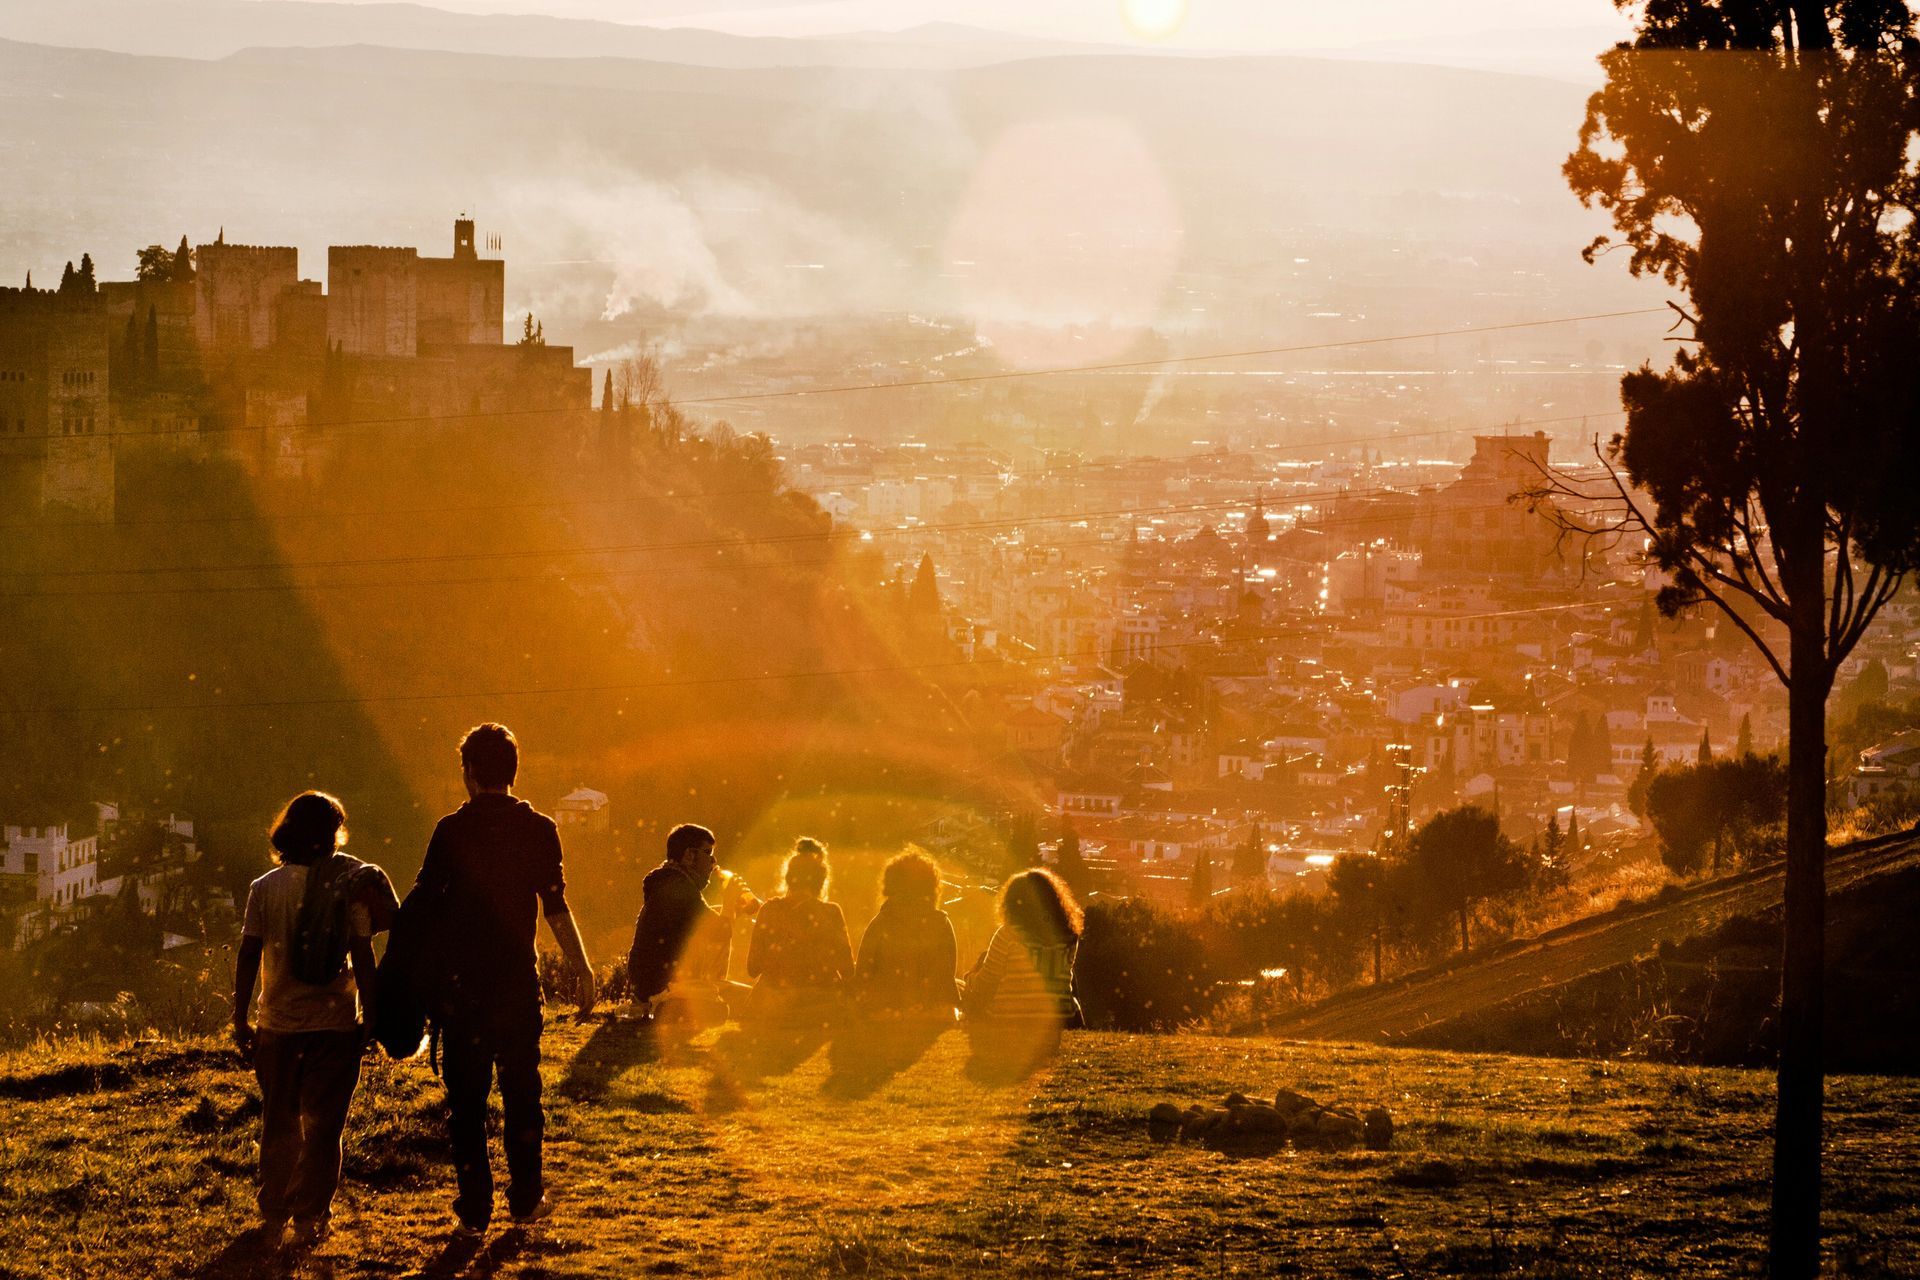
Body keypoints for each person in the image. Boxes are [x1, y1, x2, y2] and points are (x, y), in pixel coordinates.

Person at [412, 723, 595, 1236]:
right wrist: (582, 969)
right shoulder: (538, 828)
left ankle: (473, 1210)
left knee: (466, 1101)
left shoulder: (451, 831)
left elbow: (425, 906)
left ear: (467, 773)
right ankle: (526, 1199)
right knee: (522, 1092)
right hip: (516, 984)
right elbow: (555, 905)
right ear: (513, 771)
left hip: (461, 988)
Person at [232, 791, 380, 1249]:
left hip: (278, 1024)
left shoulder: (265, 888)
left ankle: (274, 1210)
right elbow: (363, 954)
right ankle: (311, 1217)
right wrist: (372, 1015)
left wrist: (239, 1017)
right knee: (324, 1127)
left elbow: (248, 955)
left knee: (279, 1124)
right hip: (336, 1025)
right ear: (332, 834)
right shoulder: (347, 887)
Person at [626, 823, 758, 1025]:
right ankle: (671, 1006)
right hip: (668, 985)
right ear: (689, 855)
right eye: (708, 853)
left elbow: (706, 922)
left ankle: (667, 1005)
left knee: (744, 998)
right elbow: (720, 931)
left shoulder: (669, 883)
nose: (713, 862)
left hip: (654, 986)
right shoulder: (678, 887)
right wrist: (730, 900)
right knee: (753, 1001)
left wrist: (733, 909)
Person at [958, 868, 1083, 1074]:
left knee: (976, 969)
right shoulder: (1069, 936)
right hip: (1054, 1027)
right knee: (1069, 979)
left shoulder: (1008, 934)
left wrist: (968, 980)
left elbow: (986, 984)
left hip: (1009, 1021)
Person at [744, 837, 854, 1025]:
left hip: (774, 1005)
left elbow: (752, 969)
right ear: (821, 880)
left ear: (788, 878)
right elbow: (848, 970)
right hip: (820, 1005)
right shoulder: (831, 912)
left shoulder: (770, 910)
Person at [853, 848, 958, 1020]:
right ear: (931, 887)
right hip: (933, 1010)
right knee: (960, 984)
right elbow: (948, 973)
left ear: (890, 884)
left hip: (885, 1011)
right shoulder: (941, 922)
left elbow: (863, 972)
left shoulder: (880, 922)